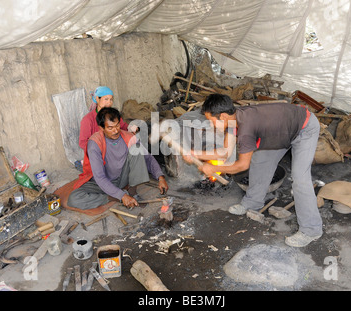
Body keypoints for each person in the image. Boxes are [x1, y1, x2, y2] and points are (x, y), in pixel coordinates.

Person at [183, 94, 322, 247]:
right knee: (260, 161)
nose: (211, 125)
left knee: (300, 178)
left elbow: (242, 166)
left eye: (211, 121)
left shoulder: (246, 130)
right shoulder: (233, 120)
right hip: (280, 131)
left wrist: (213, 168)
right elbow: (224, 152)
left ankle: (311, 230)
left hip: (304, 128)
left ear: (222, 116)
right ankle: (252, 202)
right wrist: (196, 154)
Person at [68, 107, 168, 209]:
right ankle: (114, 197)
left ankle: (132, 193)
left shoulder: (129, 137)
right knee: (74, 199)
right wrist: (121, 196)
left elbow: (148, 158)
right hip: (100, 183)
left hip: (121, 179)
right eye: (110, 128)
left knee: (136, 149)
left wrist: (160, 177)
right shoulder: (95, 143)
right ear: (102, 128)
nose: (116, 131)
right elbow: (99, 177)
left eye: (117, 125)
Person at [78, 86, 138, 151]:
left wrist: (131, 128)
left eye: (111, 99)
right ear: (97, 99)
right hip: (99, 152)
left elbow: (123, 126)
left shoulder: (113, 114)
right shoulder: (88, 119)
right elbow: (83, 143)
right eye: (106, 99)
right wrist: (99, 149)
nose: (109, 102)